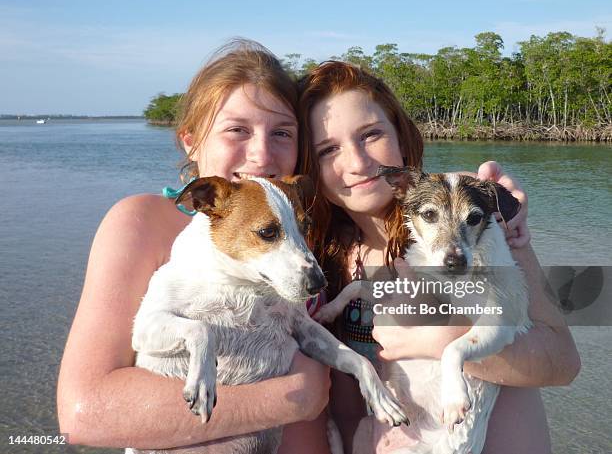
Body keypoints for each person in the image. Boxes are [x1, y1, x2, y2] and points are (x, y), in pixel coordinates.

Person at [57, 40, 332, 453]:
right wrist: (295, 396)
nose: (260, 153)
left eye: (282, 133)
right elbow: (84, 412)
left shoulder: (292, 227)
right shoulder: (144, 222)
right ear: (191, 141)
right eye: (237, 130)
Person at [297, 61, 581, 453]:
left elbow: (564, 361)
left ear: (402, 135)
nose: (358, 163)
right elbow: (346, 410)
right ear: (310, 165)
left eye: (371, 134)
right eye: (328, 149)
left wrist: (445, 340)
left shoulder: (478, 222)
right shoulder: (319, 256)